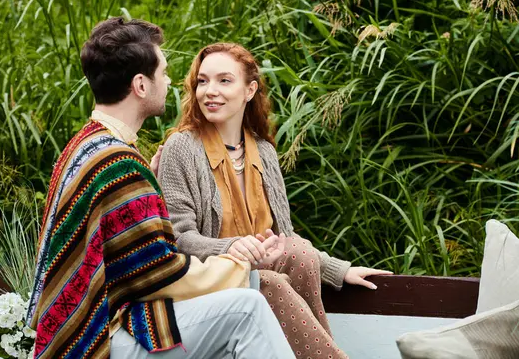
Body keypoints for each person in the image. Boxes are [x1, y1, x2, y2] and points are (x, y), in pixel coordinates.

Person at [26, 19, 296, 359]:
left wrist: (146, 182)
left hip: (96, 323)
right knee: (247, 309)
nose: (169, 82)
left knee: (236, 308)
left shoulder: (86, 145)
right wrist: (243, 263)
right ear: (141, 84)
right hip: (102, 338)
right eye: (164, 72)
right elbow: (156, 275)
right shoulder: (118, 162)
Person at [156, 42, 393, 359]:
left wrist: (338, 270)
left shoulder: (263, 153)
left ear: (249, 90)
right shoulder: (181, 148)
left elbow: (286, 238)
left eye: (224, 80)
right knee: (270, 283)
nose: (209, 91)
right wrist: (230, 248)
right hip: (207, 281)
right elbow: (177, 238)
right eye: (202, 81)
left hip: (257, 269)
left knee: (300, 252)